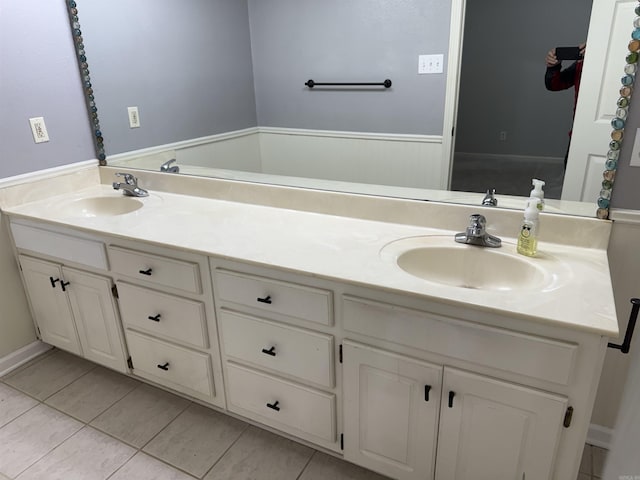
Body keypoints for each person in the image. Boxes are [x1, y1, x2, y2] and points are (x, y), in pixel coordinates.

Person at [544, 43, 586, 168]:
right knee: (572, 176)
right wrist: (553, 67)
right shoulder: (582, 64)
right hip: (578, 133)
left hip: (611, 133)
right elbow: (553, 85)